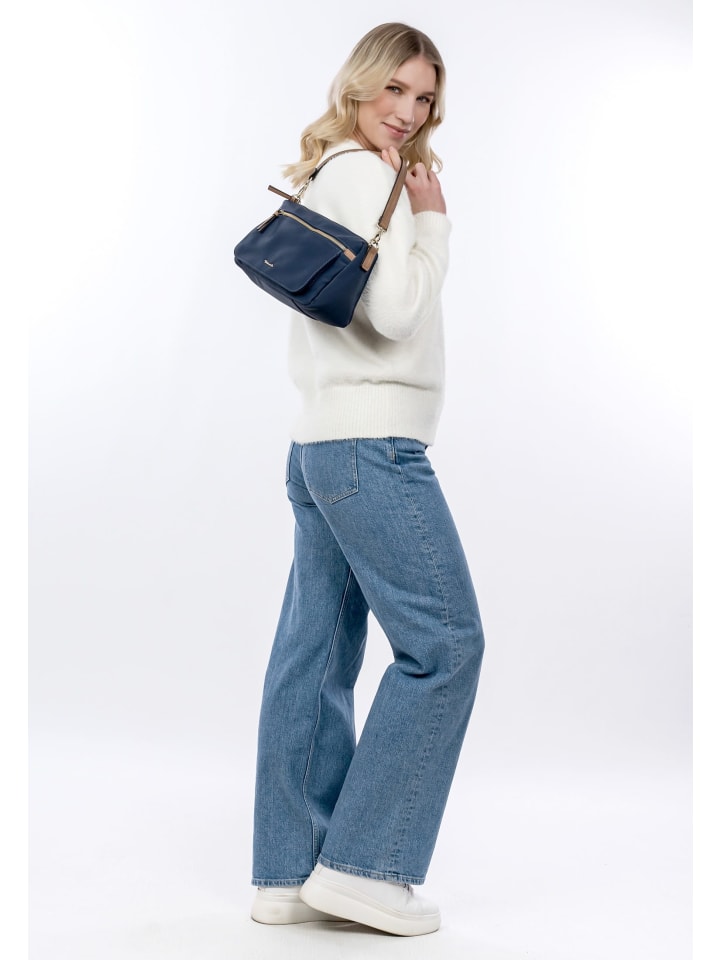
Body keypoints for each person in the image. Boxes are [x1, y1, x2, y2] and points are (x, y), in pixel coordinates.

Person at [249, 22, 485, 937]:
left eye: (424, 98)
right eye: (395, 88)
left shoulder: (328, 171)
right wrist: (434, 222)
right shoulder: (367, 177)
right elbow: (394, 314)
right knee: (446, 645)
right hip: (372, 446)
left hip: (320, 447)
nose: (409, 111)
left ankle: (290, 871)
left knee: (314, 656)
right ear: (360, 84)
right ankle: (363, 869)